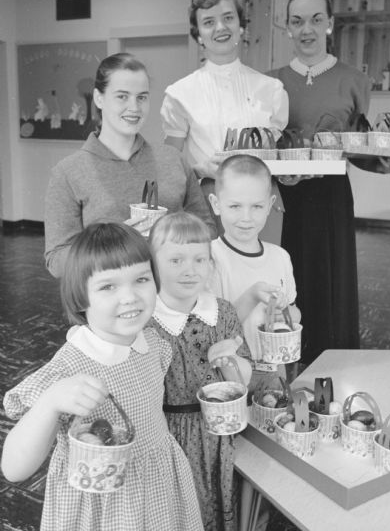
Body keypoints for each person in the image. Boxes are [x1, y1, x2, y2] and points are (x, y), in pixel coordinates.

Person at [1, 222, 204, 531]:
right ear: (81, 298)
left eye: (141, 279)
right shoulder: (67, 370)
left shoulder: (153, 344)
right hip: (100, 510)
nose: (130, 297)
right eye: (108, 286)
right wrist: (49, 403)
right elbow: (14, 469)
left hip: (158, 493)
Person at [269, 0, 390, 365]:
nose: (306, 29)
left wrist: (383, 163)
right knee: (285, 281)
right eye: (297, 21)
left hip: (331, 196)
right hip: (281, 200)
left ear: (329, 23)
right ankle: (284, 363)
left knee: (332, 283)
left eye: (315, 19)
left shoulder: (354, 80)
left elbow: (355, 146)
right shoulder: (271, 82)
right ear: (287, 28)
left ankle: (334, 363)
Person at [44, 52, 216, 278]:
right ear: (98, 98)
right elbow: (57, 260)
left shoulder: (173, 159)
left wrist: (172, 237)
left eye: (142, 97)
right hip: (112, 304)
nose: (134, 107)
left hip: (173, 300)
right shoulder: (67, 172)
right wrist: (115, 243)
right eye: (122, 96)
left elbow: (208, 230)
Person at [160, 0, 288, 243]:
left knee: (263, 278)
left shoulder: (271, 90)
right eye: (208, 22)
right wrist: (200, 168)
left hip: (262, 206)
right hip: (207, 205)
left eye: (228, 18)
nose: (220, 27)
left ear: (240, 26)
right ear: (198, 35)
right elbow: (169, 164)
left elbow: (279, 157)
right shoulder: (180, 94)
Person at [148, 211, 252, 531]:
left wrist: (230, 361)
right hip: (171, 437)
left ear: (211, 264)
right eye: (175, 260)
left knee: (224, 501)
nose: (189, 270)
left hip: (222, 434)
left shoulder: (223, 312)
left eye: (199, 260)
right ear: (152, 265)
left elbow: (243, 380)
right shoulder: (148, 323)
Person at [207, 155, 301, 367]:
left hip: (276, 369)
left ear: (270, 205)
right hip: (231, 372)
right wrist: (251, 296)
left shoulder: (281, 257)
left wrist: (284, 312)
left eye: (257, 207)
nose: (246, 217)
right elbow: (214, 330)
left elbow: (295, 312)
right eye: (235, 206)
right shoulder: (210, 258)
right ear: (216, 204)